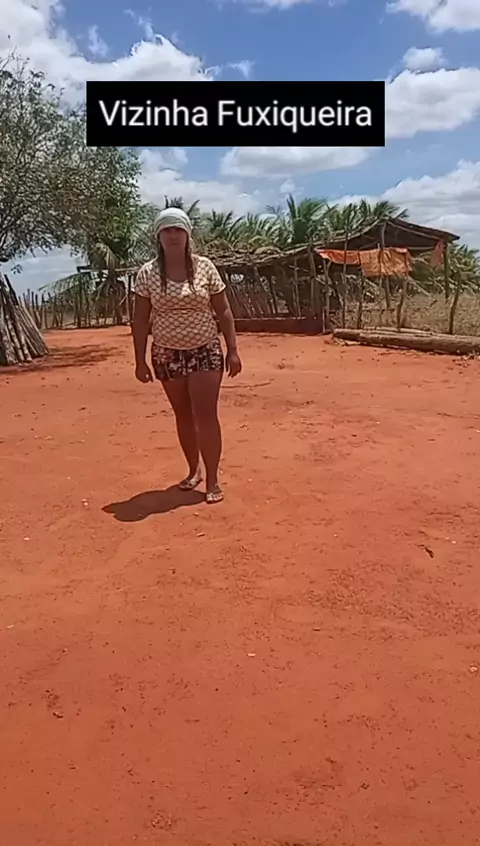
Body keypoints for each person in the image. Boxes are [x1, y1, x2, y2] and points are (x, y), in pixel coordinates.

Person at [132, 207, 242, 504]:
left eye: (178, 229)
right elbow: (140, 320)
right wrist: (139, 360)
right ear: (158, 236)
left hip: (205, 350)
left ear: (187, 234)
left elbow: (223, 310)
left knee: (206, 414)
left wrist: (232, 350)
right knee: (183, 414)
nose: (172, 235)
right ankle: (194, 471)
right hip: (166, 354)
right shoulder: (147, 273)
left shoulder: (205, 267)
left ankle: (213, 478)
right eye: (166, 230)